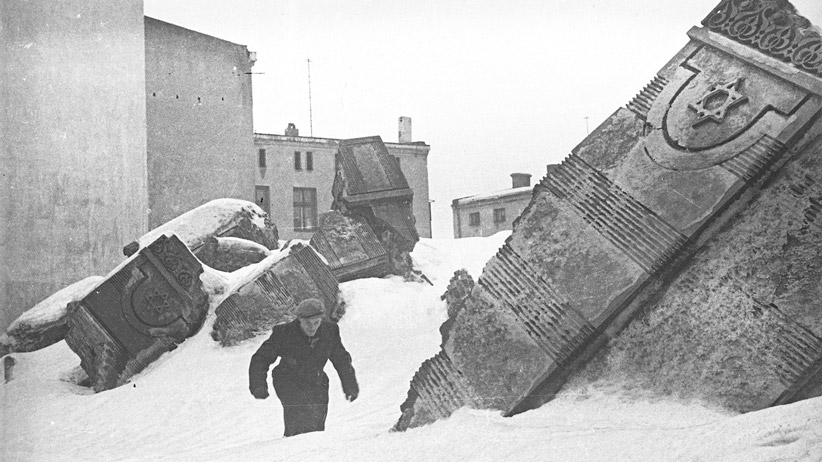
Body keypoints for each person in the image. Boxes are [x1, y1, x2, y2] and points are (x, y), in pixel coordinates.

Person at [248, 298, 359, 437]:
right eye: (307, 323)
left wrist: (350, 385)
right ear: (299, 320)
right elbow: (260, 359)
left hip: (317, 381)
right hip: (288, 379)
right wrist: (258, 385)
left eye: (316, 323)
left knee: (316, 426)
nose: (312, 327)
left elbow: (341, 359)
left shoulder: (330, 331)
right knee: (298, 420)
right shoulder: (284, 333)